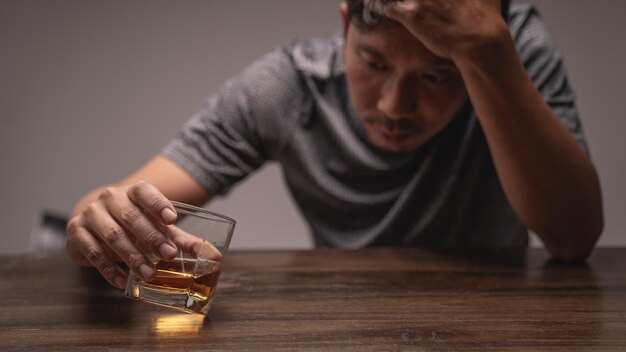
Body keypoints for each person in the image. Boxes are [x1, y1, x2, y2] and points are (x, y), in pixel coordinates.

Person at [66, 0, 603, 289]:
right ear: (345, 23)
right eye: (373, 63)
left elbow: (572, 239)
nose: (395, 106)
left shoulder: (507, 54)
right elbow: (121, 202)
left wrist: (488, 56)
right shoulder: (289, 86)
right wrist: (98, 221)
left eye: (438, 76)